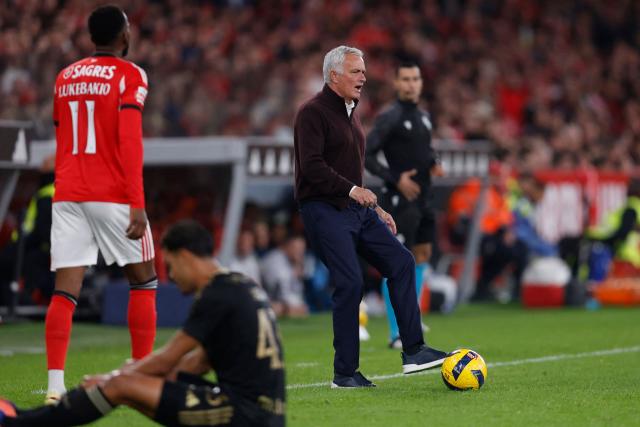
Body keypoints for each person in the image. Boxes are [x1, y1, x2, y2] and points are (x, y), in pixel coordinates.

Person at [0, 220, 285, 427]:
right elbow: (197, 364)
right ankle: (23, 418)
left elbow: (167, 359)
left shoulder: (215, 295)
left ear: (185, 256)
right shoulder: (239, 285)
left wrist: (114, 379)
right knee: (127, 387)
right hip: (266, 413)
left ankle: (19, 423)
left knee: (120, 387)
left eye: (171, 266)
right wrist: (133, 378)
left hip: (245, 415)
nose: (171, 276)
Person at [294, 45, 446, 388]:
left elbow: (351, 169)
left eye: (363, 70)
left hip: (356, 209)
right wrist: (352, 191)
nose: (364, 77)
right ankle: (345, 373)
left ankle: (413, 351)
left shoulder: (352, 112)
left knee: (403, 262)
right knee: (350, 283)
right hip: (324, 209)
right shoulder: (312, 113)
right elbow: (312, 167)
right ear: (334, 76)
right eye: (356, 71)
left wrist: (374, 206)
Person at [45, 5, 157, 403]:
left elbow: (62, 136)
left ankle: (55, 387)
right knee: (144, 280)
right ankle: (142, 372)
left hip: (69, 193)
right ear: (124, 36)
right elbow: (130, 141)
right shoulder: (131, 75)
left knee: (65, 293)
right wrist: (137, 203)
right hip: (112, 194)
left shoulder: (65, 77)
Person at [365, 60, 443, 348]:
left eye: (415, 78)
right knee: (397, 262)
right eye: (406, 79)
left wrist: (434, 163)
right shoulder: (391, 117)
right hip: (401, 198)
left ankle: (412, 314)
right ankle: (397, 331)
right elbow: (367, 155)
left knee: (422, 254)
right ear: (396, 83)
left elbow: (423, 149)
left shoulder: (423, 117)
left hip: (424, 197)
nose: (411, 84)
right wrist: (395, 178)